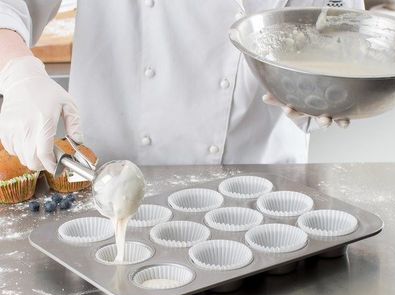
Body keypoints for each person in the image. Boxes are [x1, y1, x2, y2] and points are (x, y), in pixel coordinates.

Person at [0, 0, 364, 173]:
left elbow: (336, 27)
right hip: (112, 176)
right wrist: (18, 72)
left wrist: (324, 86)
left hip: (259, 178)